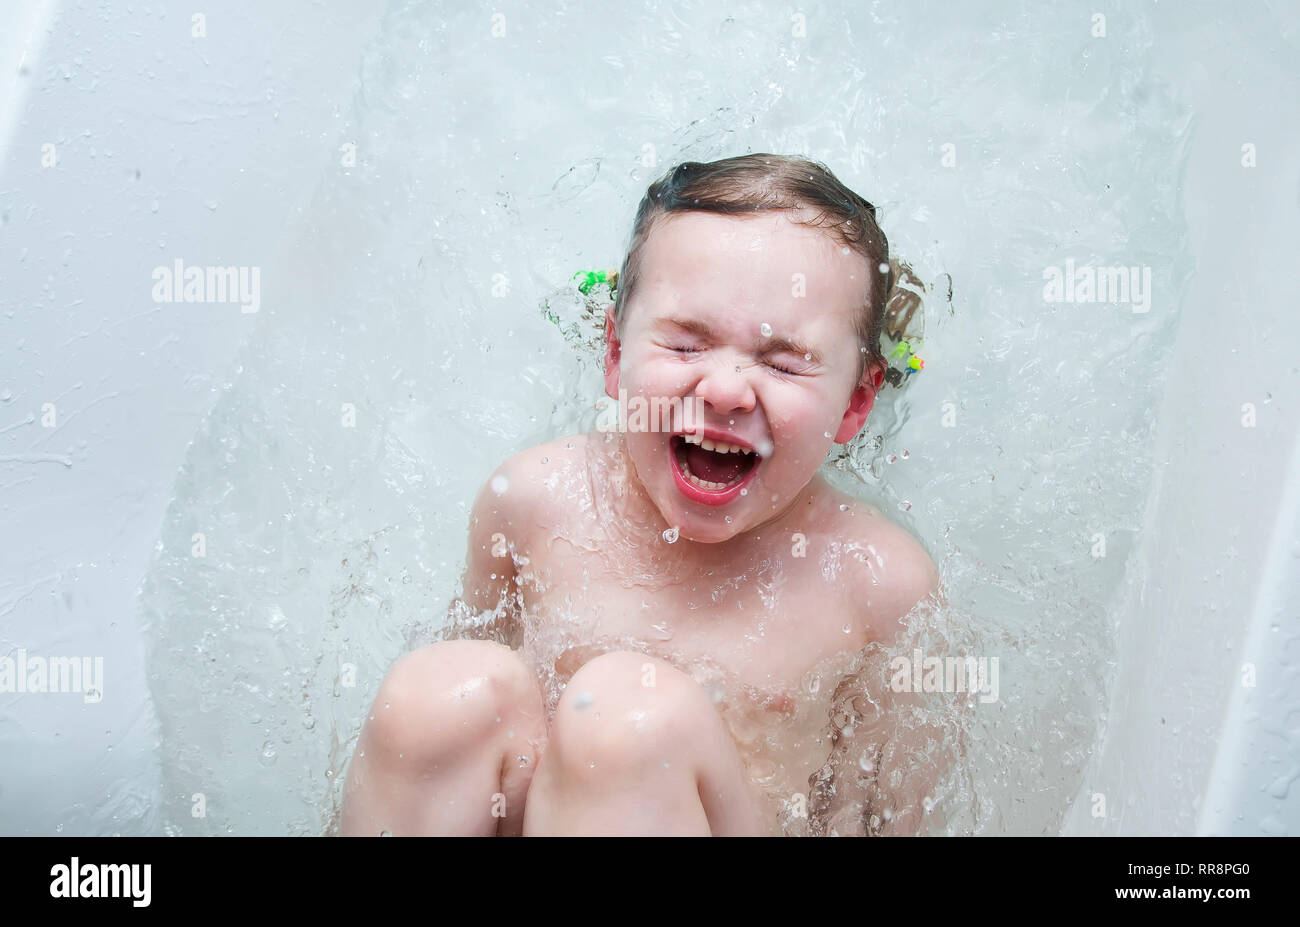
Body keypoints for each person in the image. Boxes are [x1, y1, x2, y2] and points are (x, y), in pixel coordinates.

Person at [339, 153, 941, 836]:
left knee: (628, 723)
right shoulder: (535, 502)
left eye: (782, 363)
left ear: (856, 401)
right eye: (687, 346)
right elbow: (466, 770)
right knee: (441, 696)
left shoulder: (877, 582)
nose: (725, 389)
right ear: (616, 354)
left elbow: (884, 823)